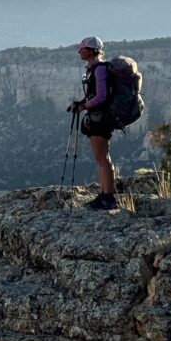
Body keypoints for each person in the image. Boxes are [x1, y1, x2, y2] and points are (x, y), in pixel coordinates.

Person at [68, 36, 117, 211]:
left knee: (103, 157)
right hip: (98, 116)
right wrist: (79, 104)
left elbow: (102, 96)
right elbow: (93, 94)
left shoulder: (99, 69)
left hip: (100, 118)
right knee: (101, 157)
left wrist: (83, 107)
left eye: (81, 49)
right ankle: (104, 194)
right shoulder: (94, 68)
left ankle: (108, 197)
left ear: (90, 50)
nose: (79, 51)